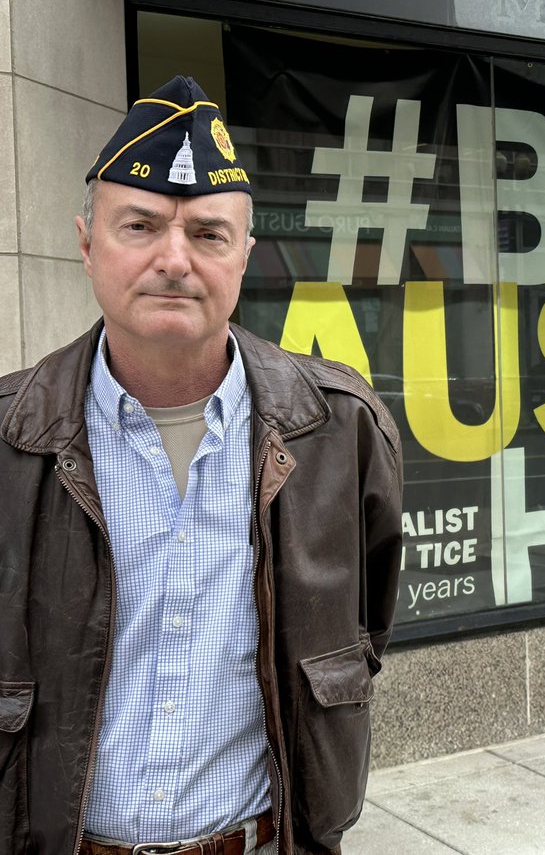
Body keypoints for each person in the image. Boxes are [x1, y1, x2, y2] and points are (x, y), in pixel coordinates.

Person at [0, 76, 404, 854]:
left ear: (245, 255)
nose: (174, 259)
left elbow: (364, 626)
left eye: (209, 234)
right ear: (87, 244)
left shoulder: (338, 429)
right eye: (141, 226)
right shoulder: (13, 438)